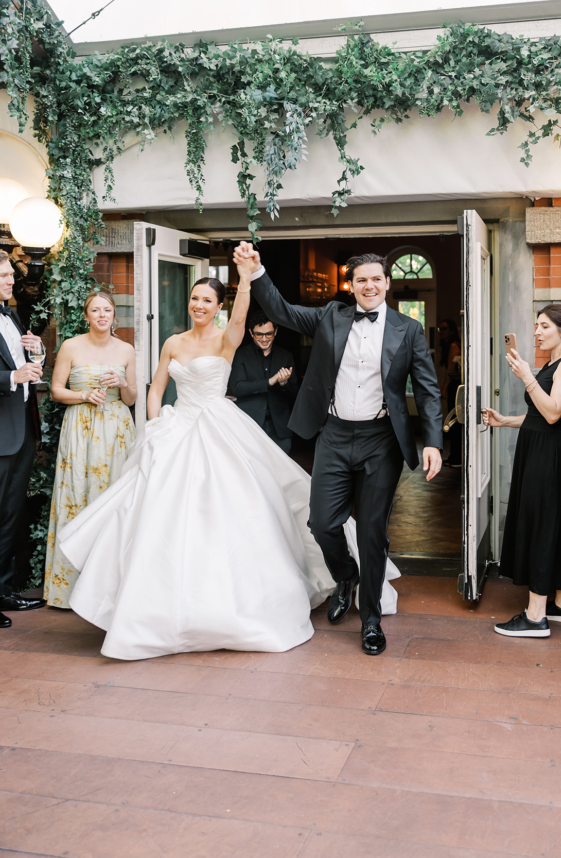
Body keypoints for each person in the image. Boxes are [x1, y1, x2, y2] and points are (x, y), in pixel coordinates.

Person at [58, 269, 399, 660]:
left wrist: (245, 276)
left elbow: (241, 317)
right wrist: (151, 429)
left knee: (233, 506)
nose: (199, 305)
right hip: (175, 428)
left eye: (207, 300)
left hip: (217, 426)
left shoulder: (227, 338)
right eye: (194, 299)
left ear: (218, 307)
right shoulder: (171, 342)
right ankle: (156, 604)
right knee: (156, 513)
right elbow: (155, 390)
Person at [234, 242, 443, 656]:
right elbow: (281, 311)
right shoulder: (331, 316)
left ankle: (370, 620)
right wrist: (257, 272)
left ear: (387, 283)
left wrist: (434, 441)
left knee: (371, 533)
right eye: (361, 279)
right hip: (333, 434)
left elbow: (428, 389)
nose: (369, 286)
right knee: (323, 523)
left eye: (376, 279)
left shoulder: (408, 329)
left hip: (380, 441)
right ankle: (344, 576)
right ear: (352, 285)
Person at [483, 304, 561, 638]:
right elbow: (538, 417)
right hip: (538, 450)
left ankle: (536, 615)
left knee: (543, 524)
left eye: (544, 326)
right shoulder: (551, 364)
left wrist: (527, 377)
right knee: (555, 524)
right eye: (536, 326)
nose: (537, 332)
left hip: (549, 457)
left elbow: (554, 414)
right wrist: (504, 420)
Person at [43, 289, 136, 608]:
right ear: (86, 316)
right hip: (80, 430)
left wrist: (123, 384)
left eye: (107, 310)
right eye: (95, 310)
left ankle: (112, 590)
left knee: (115, 500)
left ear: (114, 316)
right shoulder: (71, 346)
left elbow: (132, 399)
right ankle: (71, 590)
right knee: (78, 496)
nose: (101, 315)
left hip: (117, 430)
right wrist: (83, 395)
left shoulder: (126, 350)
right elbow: (56, 391)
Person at [0, 250, 46, 629]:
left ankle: (4, 591)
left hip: (23, 430)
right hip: (0, 434)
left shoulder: (11, 314)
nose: (9, 281)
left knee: (10, 516)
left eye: (9, 276)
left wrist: (35, 354)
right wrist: (12, 378)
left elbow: (21, 363)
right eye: (2, 276)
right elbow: (10, 375)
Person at [229, 310, 298, 453]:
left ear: (276, 332)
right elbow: (237, 388)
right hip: (249, 425)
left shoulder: (285, 356)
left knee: (282, 472)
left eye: (269, 334)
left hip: (280, 429)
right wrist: (270, 381)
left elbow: (295, 395)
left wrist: (284, 383)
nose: (264, 338)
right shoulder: (240, 355)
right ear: (251, 332)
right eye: (259, 334)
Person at [438, 319, 461, 467]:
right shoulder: (448, 346)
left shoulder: (454, 346)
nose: (442, 332)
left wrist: (444, 387)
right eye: (440, 329)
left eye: (445, 329)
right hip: (452, 385)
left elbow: (450, 370)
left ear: (452, 331)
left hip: (454, 385)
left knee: (454, 420)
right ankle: (454, 456)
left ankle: (457, 457)